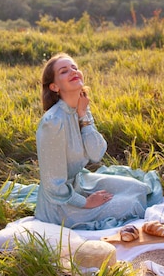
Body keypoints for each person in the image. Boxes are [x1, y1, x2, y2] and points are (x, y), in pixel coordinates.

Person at [34, 52, 153, 230]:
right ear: (54, 87)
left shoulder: (81, 107)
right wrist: (86, 202)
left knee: (139, 189)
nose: (73, 71)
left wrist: (83, 116)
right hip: (61, 204)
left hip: (80, 182)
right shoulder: (53, 122)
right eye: (64, 71)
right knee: (131, 205)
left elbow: (96, 153)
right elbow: (53, 185)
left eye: (74, 67)